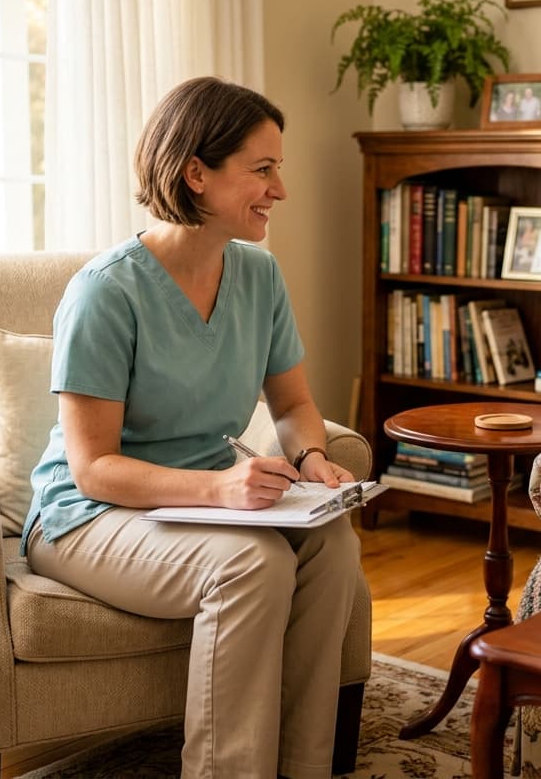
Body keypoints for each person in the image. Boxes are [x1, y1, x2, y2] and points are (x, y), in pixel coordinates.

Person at [19, 76, 361, 779]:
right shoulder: (107, 292)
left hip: (201, 501)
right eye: (262, 170)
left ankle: (302, 768)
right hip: (87, 516)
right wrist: (222, 490)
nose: (280, 190)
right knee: (252, 565)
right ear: (195, 173)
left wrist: (315, 459)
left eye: (279, 169)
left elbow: (294, 406)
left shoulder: (259, 277)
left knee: (332, 540)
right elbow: (93, 468)